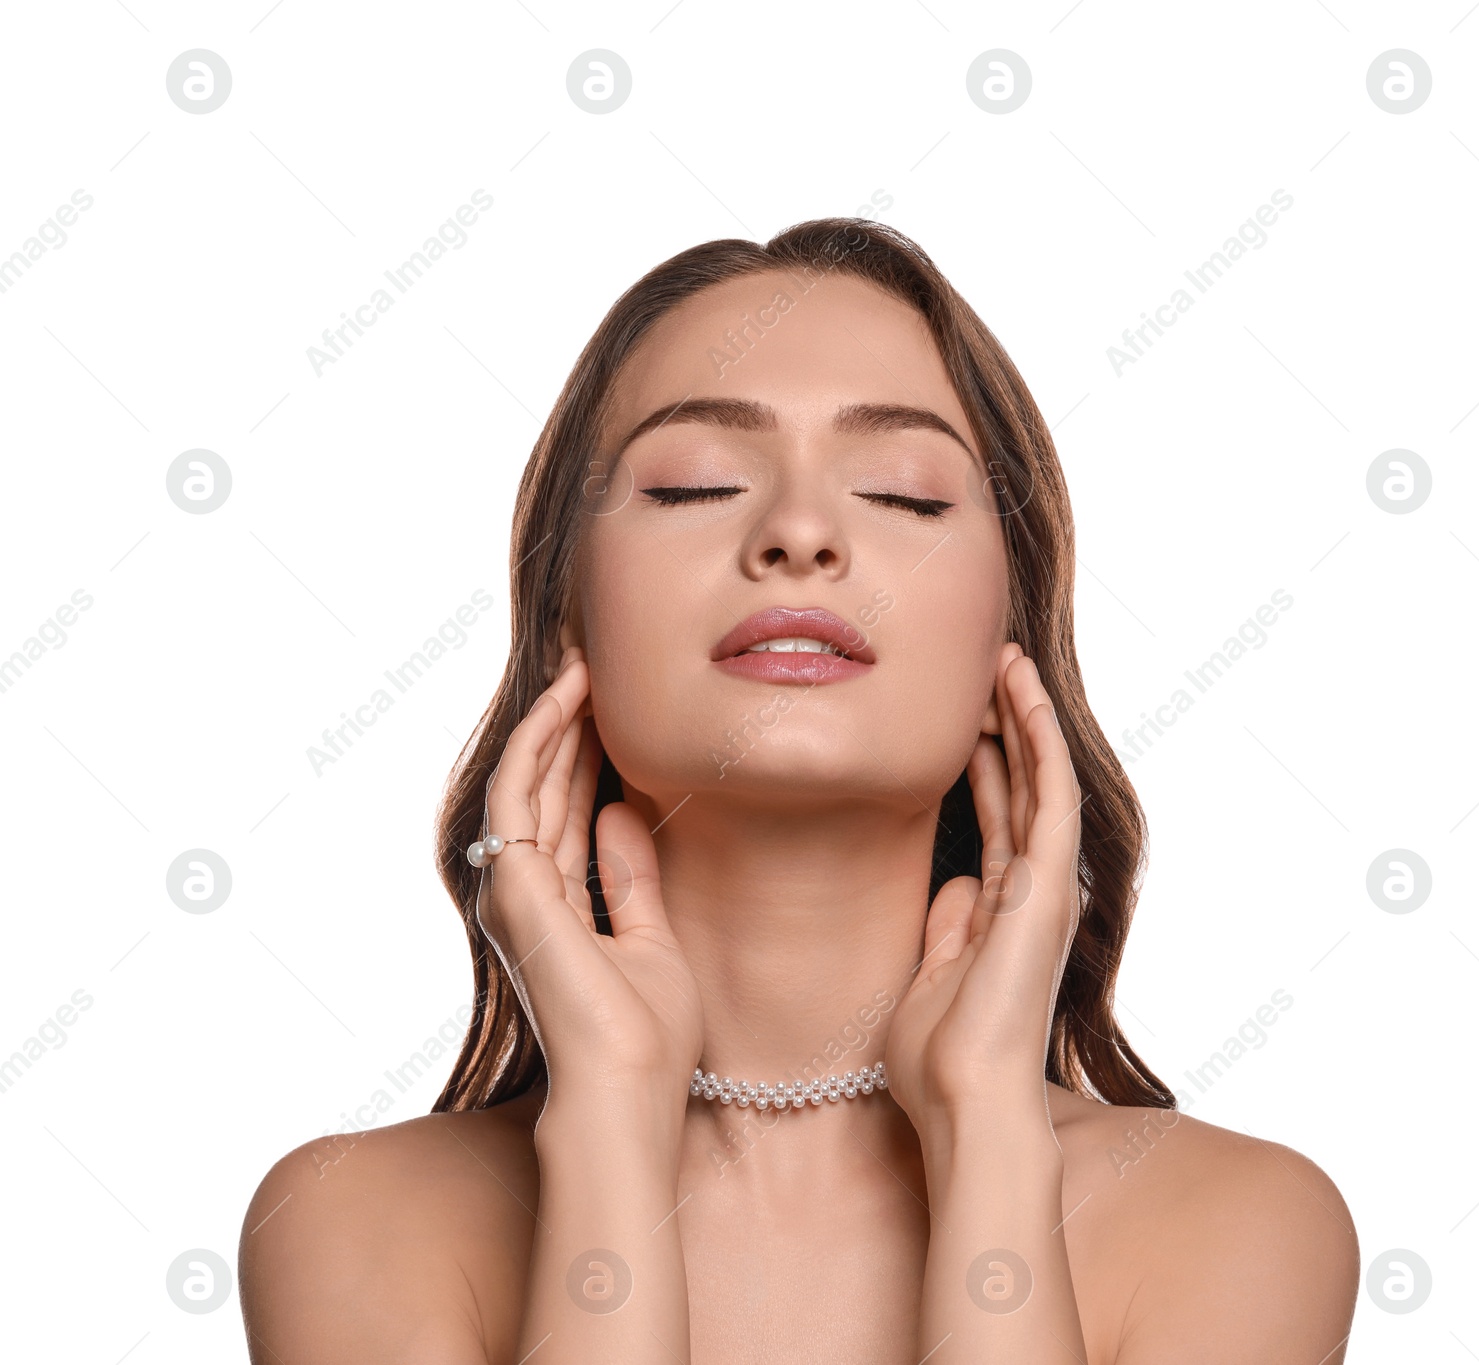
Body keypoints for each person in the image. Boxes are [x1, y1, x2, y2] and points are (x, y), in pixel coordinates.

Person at [239, 218, 1360, 1363]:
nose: (799, 533)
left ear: (1001, 646)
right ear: (569, 620)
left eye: (905, 494)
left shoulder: (1234, 1224)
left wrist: (985, 1129)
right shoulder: (353, 1221)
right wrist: (612, 1125)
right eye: (693, 485)